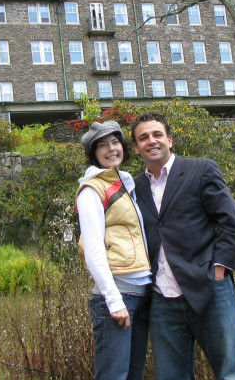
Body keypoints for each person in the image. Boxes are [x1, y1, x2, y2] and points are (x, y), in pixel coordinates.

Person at [131, 112, 235, 380]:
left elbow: (230, 223)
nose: (152, 141)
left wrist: (219, 271)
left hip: (209, 290)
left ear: (170, 140)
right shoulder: (134, 188)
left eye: (157, 134)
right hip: (162, 300)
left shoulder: (201, 169)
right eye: (143, 137)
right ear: (136, 148)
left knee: (230, 373)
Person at [76, 120, 152, 380]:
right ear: (94, 153)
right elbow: (93, 250)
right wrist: (113, 300)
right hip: (118, 298)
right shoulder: (92, 189)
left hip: (139, 296)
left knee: (133, 375)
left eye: (115, 142)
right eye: (102, 145)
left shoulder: (126, 183)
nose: (111, 149)